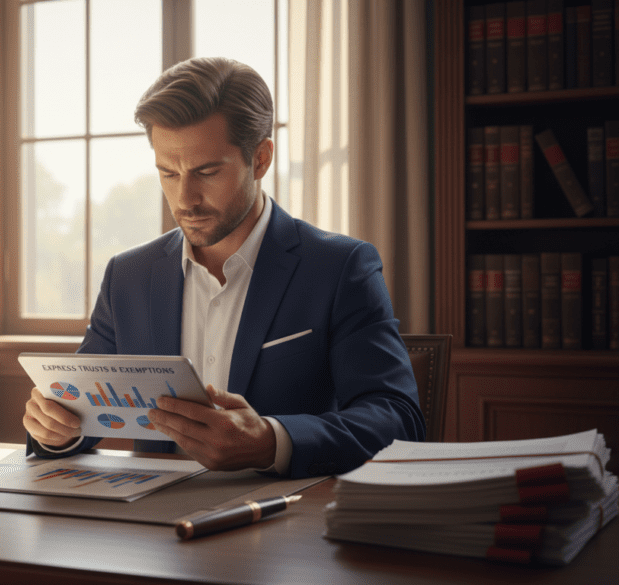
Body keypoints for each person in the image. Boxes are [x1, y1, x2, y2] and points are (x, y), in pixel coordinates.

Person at [23, 56, 425, 478]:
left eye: (207, 171)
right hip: (152, 530)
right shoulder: (128, 277)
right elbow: (78, 413)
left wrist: (271, 441)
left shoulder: (340, 268)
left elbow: (399, 420)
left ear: (261, 159)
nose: (185, 199)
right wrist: (55, 429)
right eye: (167, 173)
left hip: (286, 523)